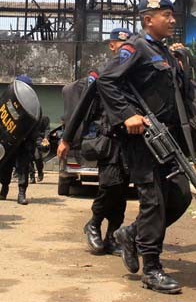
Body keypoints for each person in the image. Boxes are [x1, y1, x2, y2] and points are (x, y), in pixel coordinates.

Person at [97, 0, 192, 294]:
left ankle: (131, 233)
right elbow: (106, 82)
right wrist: (128, 116)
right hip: (142, 141)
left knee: (180, 196)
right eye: (166, 14)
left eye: (173, 15)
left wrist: (183, 63)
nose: (173, 20)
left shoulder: (163, 51)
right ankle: (152, 269)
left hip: (167, 138)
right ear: (148, 19)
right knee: (153, 200)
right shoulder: (135, 47)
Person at [58, 27, 132, 256]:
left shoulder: (133, 76)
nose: (125, 51)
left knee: (121, 193)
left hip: (129, 144)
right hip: (108, 141)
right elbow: (82, 109)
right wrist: (67, 138)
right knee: (109, 187)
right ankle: (93, 222)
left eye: (128, 47)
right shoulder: (102, 74)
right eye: (121, 47)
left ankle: (112, 237)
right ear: (112, 46)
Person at [0, 74, 37, 205]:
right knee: (5, 167)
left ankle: (21, 193)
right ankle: (4, 188)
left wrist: (31, 144)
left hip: (24, 143)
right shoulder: (9, 101)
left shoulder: (35, 108)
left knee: (23, 168)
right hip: (9, 141)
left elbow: (35, 129)